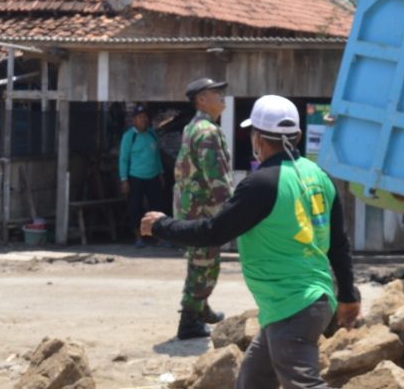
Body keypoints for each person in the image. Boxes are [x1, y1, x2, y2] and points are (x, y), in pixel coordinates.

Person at [142, 95, 360, 388]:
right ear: (295, 136)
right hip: (304, 302)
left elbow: (213, 232)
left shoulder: (262, 184)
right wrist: (348, 294)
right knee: (253, 380)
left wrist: (160, 225)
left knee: (303, 384)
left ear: (257, 138)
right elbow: (339, 244)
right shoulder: (319, 176)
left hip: (293, 306)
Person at [172, 77, 233, 339]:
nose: (222, 95)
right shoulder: (207, 131)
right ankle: (189, 321)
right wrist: (231, 212)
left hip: (192, 209)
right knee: (205, 265)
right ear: (201, 100)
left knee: (200, 262)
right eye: (215, 92)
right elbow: (217, 179)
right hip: (203, 211)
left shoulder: (194, 127)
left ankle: (201, 308)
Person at [119, 104, 166, 248]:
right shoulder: (129, 137)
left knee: (157, 207)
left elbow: (157, 156)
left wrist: (161, 174)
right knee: (135, 207)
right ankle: (138, 237)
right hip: (135, 177)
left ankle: (160, 237)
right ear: (134, 120)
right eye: (140, 117)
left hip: (153, 176)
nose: (143, 120)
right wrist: (124, 180)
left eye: (145, 117)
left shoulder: (152, 134)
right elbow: (123, 159)